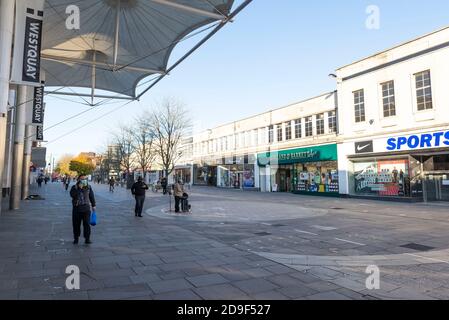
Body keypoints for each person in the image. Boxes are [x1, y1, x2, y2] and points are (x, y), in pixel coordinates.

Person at [70, 175, 96, 245]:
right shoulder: (74, 187)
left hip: (86, 209)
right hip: (77, 209)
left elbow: (91, 196)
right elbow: (72, 195)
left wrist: (93, 205)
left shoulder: (88, 187)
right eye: (82, 179)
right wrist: (78, 188)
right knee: (76, 225)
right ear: (78, 180)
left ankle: (87, 238)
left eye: (84, 179)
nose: (83, 180)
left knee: (87, 224)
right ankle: (76, 238)